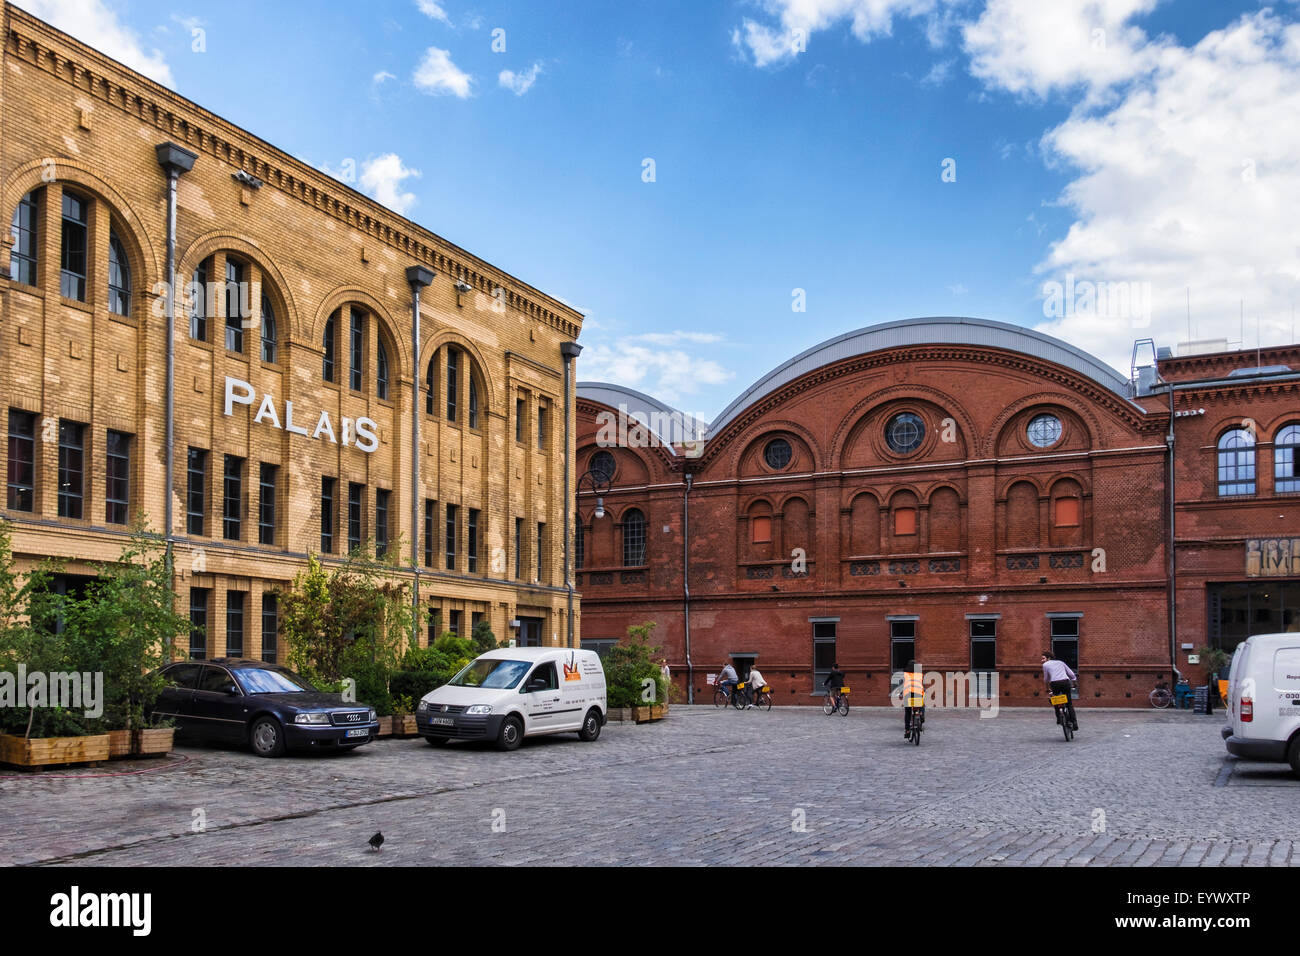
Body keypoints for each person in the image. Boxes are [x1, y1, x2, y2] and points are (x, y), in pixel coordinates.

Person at [1042, 651, 1078, 730]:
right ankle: (1074, 723)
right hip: (1065, 682)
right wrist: (1074, 682)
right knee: (1069, 704)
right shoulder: (1061, 662)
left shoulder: (1045, 665)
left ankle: (1059, 718)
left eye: (1043, 658)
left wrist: (1047, 688)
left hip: (1054, 684)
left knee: (1055, 701)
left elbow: (1046, 679)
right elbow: (1071, 674)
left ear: (1049, 658)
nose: (1042, 660)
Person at [901, 660, 925, 738]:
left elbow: (903, 684)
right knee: (920, 704)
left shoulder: (905, 674)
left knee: (908, 712)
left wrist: (901, 693)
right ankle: (921, 714)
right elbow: (921, 683)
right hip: (918, 692)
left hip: (908, 693)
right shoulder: (920, 674)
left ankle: (907, 730)